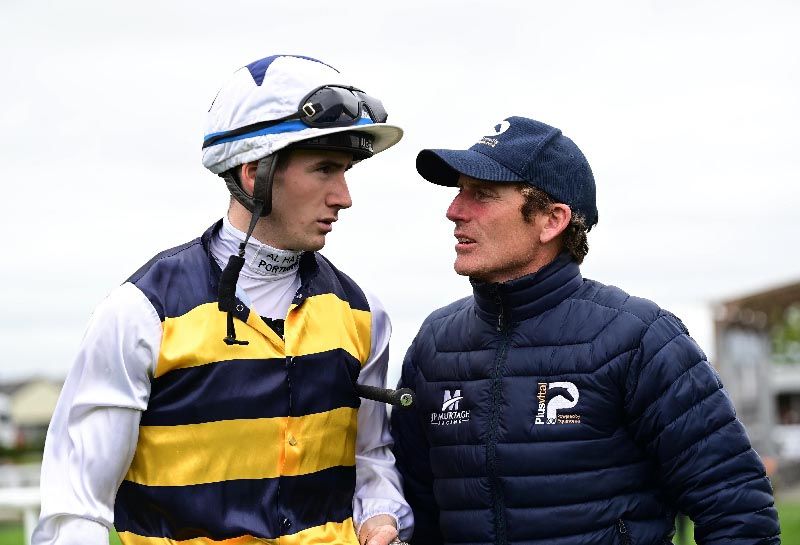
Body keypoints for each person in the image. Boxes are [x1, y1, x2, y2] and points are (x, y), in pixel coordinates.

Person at [33, 54, 412, 545]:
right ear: (255, 173)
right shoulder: (139, 314)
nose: (344, 196)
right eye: (324, 170)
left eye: (346, 172)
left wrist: (381, 516)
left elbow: (370, 462)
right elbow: (74, 513)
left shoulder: (365, 314)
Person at [390, 116, 781, 545]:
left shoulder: (641, 339)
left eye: (481, 194)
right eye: (459, 191)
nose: (454, 210)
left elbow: (738, 510)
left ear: (551, 220)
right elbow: (416, 516)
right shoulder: (435, 344)